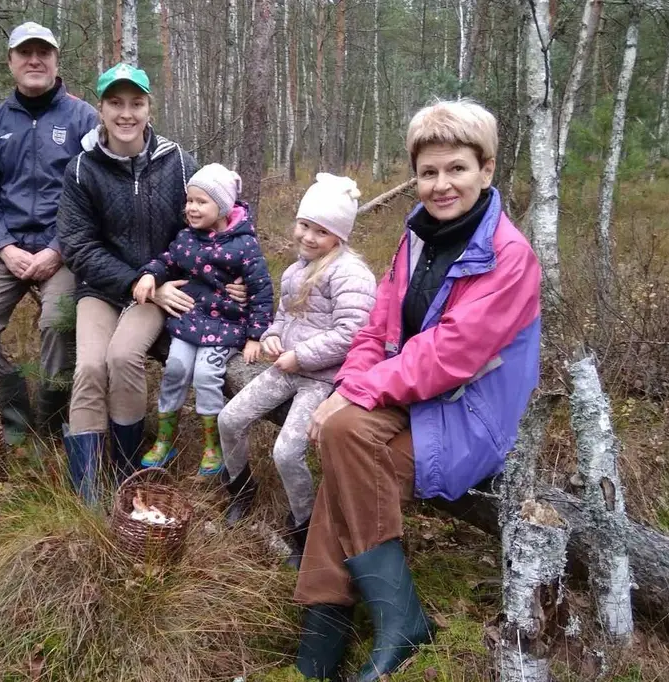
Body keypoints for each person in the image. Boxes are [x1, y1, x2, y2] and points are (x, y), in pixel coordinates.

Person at [293, 100, 542, 682]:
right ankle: (383, 615)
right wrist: (349, 387)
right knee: (341, 432)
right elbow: (378, 326)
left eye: (456, 168)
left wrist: (353, 396)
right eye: (428, 172)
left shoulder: (509, 256)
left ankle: (342, 613)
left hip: (469, 414)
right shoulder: (416, 237)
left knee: (346, 444)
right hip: (414, 395)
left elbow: (452, 355)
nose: (441, 184)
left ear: (486, 168)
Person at [56, 63, 247, 503]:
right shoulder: (83, 170)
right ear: (100, 109)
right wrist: (134, 282)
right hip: (103, 287)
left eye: (136, 104)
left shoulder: (177, 162)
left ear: (148, 107)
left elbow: (221, 210)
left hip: (164, 287)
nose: (127, 114)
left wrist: (236, 276)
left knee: (123, 357)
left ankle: (126, 472)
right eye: (116, 104)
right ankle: (87, 488)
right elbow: (78, 246)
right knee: (89, 367)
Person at [217, 174, 377, 569]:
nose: (308, 236)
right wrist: (272, 337)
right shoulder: (294, 271)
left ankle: (303, 525)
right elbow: (284, 317)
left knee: (287, 452)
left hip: (323, 380)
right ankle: (240, 489)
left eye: (321, 231)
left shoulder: (351, 274)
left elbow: (353, 333)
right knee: (229, 418)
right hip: (287, 367)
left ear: (338, 236)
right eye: (305, 225)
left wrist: (300, 355)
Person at [0, 22, 98, 444]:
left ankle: (53, 424)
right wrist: (3, 247)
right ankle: (14, 413)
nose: (35, 61)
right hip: (9, 249)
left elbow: (93, 194)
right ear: (11, 62)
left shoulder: (83, 117)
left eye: (44, 53)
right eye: (25, 53)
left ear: (56, 60)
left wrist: (57, 249)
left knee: (58, 323)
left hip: (65, 251)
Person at [133, 163, 274, 477]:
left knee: (207, 375)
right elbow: (167, 261)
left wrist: (255, 335)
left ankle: (214, 444)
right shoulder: (187, 238)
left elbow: (262, 290)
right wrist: (149, 275)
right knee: (176, 370)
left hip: (226, 326)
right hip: (190, 320)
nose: (192, 208)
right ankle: (165, 439)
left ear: (222, 207)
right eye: (189, 201)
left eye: (201, 202)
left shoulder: (244, 245)